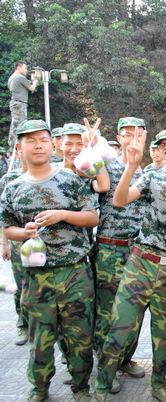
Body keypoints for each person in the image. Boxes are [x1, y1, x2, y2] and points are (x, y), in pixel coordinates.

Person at [0, 119, 98, 402]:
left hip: (74, 273)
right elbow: (7, 227)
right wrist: (25, 232)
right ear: (19, 148)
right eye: (30, 141)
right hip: (36, 276)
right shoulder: (13, 187)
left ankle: (81, 387)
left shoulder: (71, 179)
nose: (38, 145)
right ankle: (39, 388)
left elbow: (92, 217)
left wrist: (62, 215)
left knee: (79, 336)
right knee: (40, 338)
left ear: (52, 145)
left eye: (43, 139)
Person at [92, 129, 166, 402]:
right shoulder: (154, 177)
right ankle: (102, 385)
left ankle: (159, 383)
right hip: (142, 263)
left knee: (164, 333)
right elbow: (119, 199)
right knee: (121, 325)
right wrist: (132, 166)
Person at [94, 117, 147, 391]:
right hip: (109, 248)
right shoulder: (105, 168)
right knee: (107, 312)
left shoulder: (147, 174)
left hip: (137, 251)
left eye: (138, 134)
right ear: (118, 137)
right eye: (127, 134)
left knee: (134, 311)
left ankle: (124, 358)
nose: (132, 139)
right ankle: (106, 367)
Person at [0, 148, 28, 346]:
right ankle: (22, 324)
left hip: (47, 243)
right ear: (18, 152)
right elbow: (4, 216)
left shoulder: (55, 174)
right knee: (21, 285)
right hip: (19, 242)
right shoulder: (10, 179)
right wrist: (4, 243)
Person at [7, 61, 38, 150]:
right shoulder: (20, 77)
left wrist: (31, 81)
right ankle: (17, 146)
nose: (26, 70)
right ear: (19, 67)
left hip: (15, 103)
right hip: (20, 104)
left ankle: (12, 145)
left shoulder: (12, 77)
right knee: (21, 125)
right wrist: (36, 81)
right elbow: (31, 88)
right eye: (25, 68)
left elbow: (25, 84)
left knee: (15, 124)